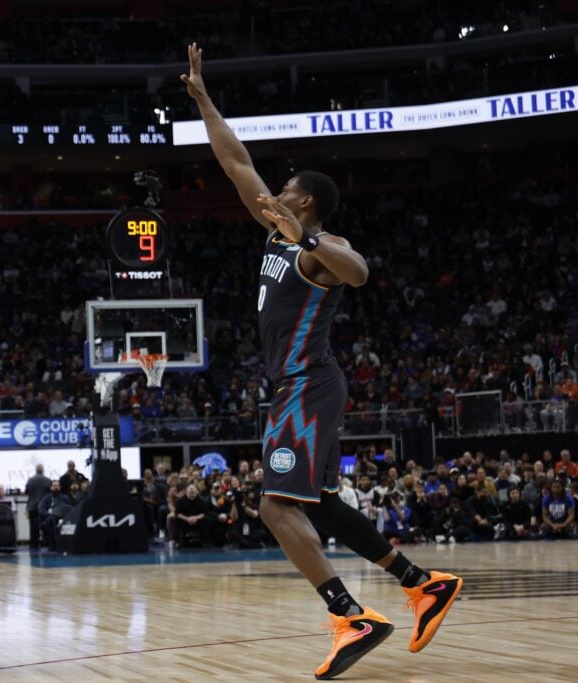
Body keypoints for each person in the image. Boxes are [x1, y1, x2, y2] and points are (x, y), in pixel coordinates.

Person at [183, 41, 462, 680]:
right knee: (320, 507)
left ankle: (350, 617)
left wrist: (304, 236)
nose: (273, 194)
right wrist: (203, 98)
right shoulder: (275, 230)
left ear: (305, 202)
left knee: (275, 508)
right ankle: (423, 585)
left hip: (309, 384)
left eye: (285, 191)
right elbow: (234, 161)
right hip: (296, 388)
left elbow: (360, 273)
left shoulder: (317, 244)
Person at [24, 464, 52, 549]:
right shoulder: (48, 480)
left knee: (33, 527)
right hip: (43, 507)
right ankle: (46, 543)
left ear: (36, 470)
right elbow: (50, 493)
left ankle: (34, 545)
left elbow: (26, 492)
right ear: (43, 470)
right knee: (45, 526)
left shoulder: (30, 480)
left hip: (31, 507)